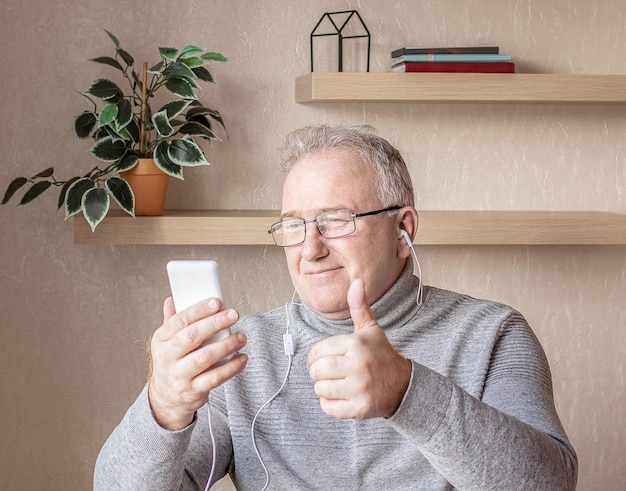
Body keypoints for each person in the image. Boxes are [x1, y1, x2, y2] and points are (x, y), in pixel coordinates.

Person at [94, 124, 578, 490]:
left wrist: (407, 392)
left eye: (335, 221)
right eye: (293, 226)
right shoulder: (242, 354)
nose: (310, 249)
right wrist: (163, 408)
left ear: (403, 230)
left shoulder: (492, 334)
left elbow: (550, 483)